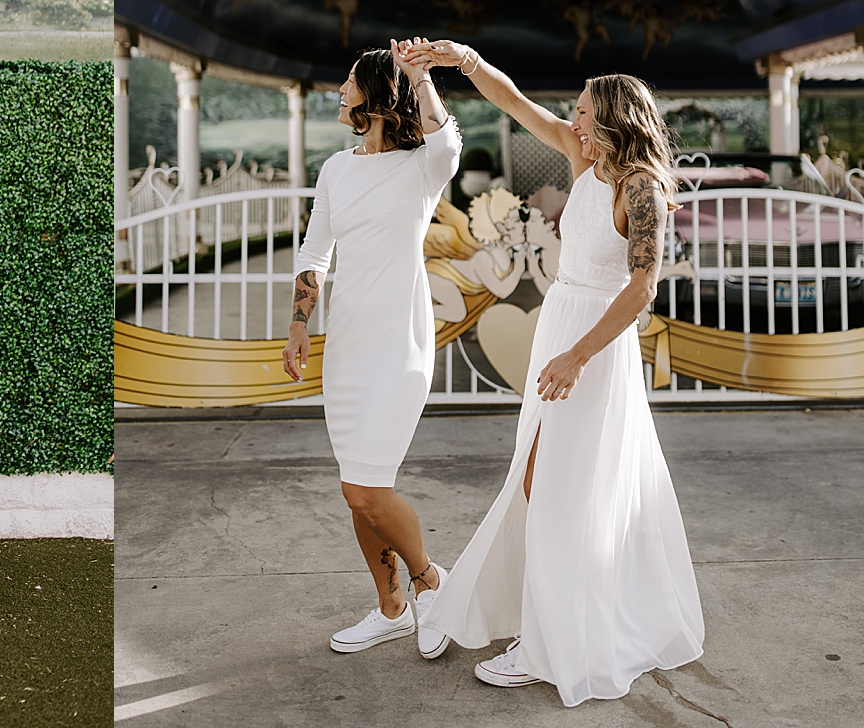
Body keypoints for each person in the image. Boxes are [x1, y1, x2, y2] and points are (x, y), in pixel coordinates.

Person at [406, 41, 704, 706]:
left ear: (613, 119)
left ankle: (548, 647)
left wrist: (578, 356)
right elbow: (513, 103)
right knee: (543, 480)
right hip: (562, 325)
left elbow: (641, 288)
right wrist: (464, 59)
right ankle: (546, 621)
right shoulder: (583, 161)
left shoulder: (641, 188)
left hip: (593, 349)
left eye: (582, 111)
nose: (570, 121)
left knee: (558, 486)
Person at [284, 40, 461, 660]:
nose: (339, 90)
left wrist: (419, 74)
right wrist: (299, 324)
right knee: (356, 485)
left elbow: (446, 143)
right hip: (349, 347)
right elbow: (314, 253)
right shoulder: (336, 169)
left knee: (366, 489)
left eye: (349, 81)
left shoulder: (418, 169)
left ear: (379, 95)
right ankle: (391, 609)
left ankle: (429, 582)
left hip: (398, 343)